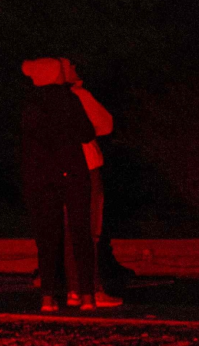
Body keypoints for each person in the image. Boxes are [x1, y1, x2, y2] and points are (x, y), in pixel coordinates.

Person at [19, 58, 96, 313]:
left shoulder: (31, 103)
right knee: (80, 232)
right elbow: (87, 132)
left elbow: (28, 141)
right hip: (73, 170)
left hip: (43, 176)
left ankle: (48, 298)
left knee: (47, 236)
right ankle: (86, 295)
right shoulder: (69, 99)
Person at [58, 59, 122, 309]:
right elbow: (106, 123)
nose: (75, 68)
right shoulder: (79, 95)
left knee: (70, 231)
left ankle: (75, 289)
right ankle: (91, 290)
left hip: (61, 169)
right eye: (70, 66)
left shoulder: (46, 101)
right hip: (85, 165)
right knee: (89, 230)